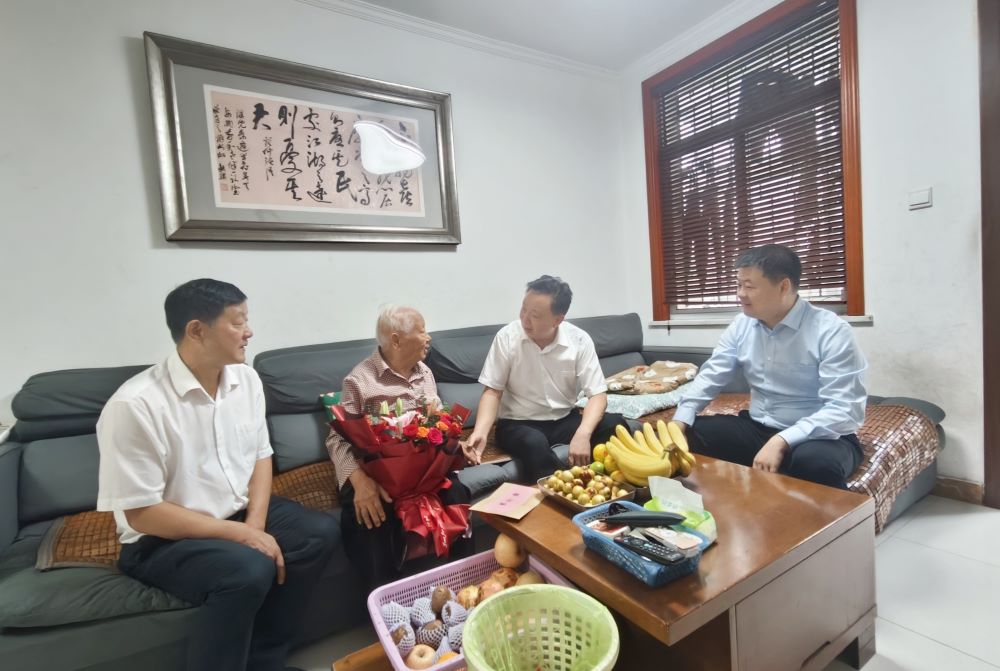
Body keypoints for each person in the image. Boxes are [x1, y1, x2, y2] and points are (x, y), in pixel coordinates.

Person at [96, 279, 336, 671]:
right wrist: (243, 536)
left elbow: (261, 456)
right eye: (238, 322)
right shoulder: (135, 405)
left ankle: (264, 662)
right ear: (197, 330)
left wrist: (254, 524)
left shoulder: (247, 380)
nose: (249, 332)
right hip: (163, 539)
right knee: (249, 569)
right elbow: (142, 513)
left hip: (235, 513)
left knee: (319, 533)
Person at [672, 244, 867, 489]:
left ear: (783, 286)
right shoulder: (742, 325)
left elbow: (845, 409)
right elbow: (712, 375)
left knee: (814, 463)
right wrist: (681, 419)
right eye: (738, 284)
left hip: (821, 435)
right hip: (758, 428)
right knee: (691, 434)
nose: (740, 294)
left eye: (749, 286)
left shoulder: (831, 331)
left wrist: (782, 440)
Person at [325, 304, 470, 588]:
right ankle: (386, 602)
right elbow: (337, 438)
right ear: (396, 340)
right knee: (371, 517)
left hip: (424, 472)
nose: (428, 337)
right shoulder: (360, 381)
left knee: (457, 494)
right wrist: (360, 482)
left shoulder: (425, 372)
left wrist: (453, 444)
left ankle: (464, 584)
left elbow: (435, 421)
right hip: (378, 476)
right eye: (422, 331)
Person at [463, 275, 623, 482]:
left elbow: (598, 395)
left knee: (615, 424)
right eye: (523, 309)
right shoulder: (507, 337)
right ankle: (566, 490)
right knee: (533, 442)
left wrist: (583, 433)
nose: (525, 319)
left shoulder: (579, 340)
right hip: (519, 424)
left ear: (558, 320)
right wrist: (480, 431)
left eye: (535, 315)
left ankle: (603, 485)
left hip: (564, 419)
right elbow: (492, 391)